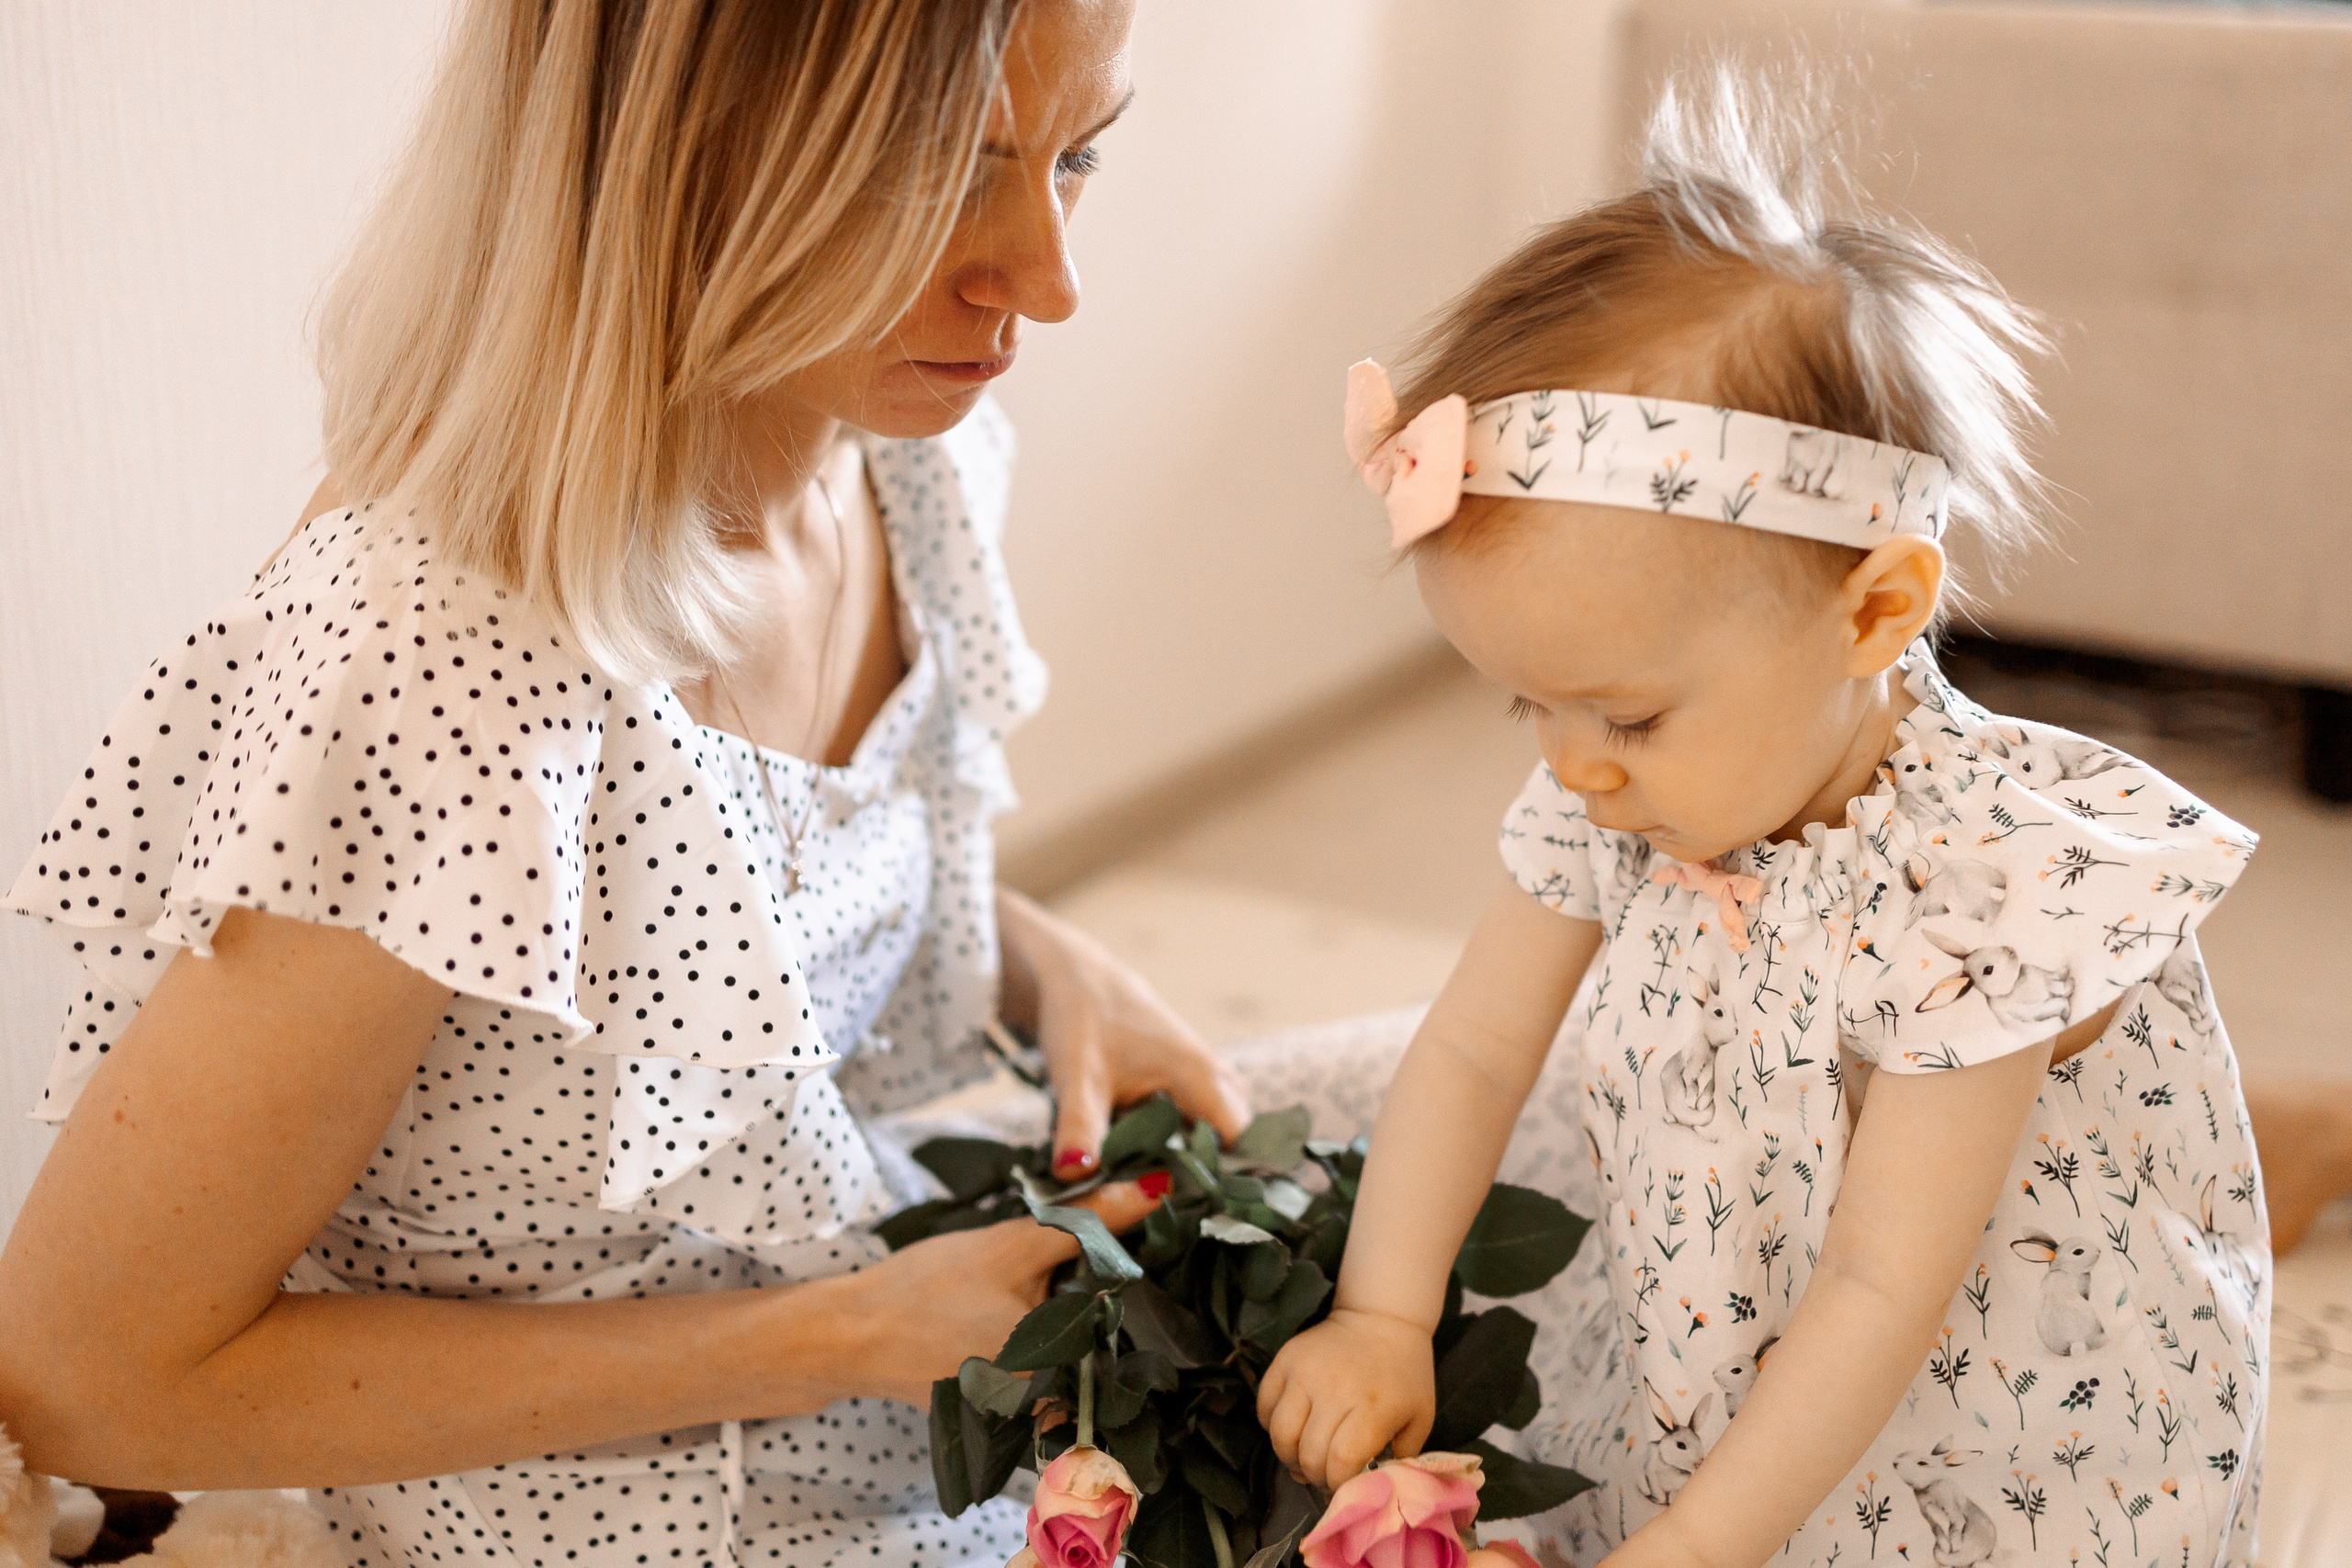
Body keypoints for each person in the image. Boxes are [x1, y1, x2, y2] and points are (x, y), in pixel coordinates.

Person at [0, 3, 1255, 1563]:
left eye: (1078, 155)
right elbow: (90, 1380)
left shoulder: (895, 447)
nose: (1049, 285)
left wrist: (1051, 957)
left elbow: (711, 913)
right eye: (937, 173)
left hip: (885, 1316)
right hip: (638, 1505)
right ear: (664, 156)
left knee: (1509, 1166)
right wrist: (838, 1338)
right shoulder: (435, 649)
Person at [1259, 67, 2269, 1568]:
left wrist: (1701, 1545)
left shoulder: (1982, 889)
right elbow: (1472, 1051)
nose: (1575, 769)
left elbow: (1879, 1289)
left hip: (1989, 1410)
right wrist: (1383, 1314)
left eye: (1626, 715)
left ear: (1872, 610)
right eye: (1523, 706)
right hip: (1723, 1316)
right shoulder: (1617, 789)